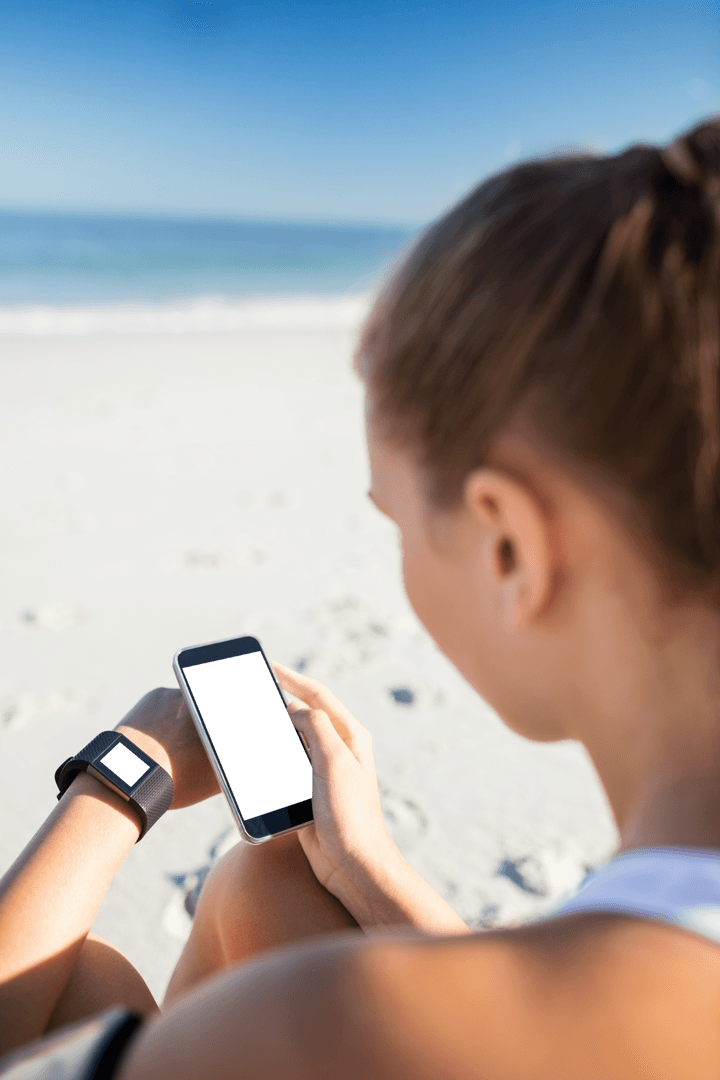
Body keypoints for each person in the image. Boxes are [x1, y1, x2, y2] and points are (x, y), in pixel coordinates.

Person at [1, 112, 720, 1080]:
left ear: (511, 545)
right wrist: (366, 867)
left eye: (398, 520)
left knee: (71, 990)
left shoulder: (333, 1023)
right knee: (270, 884)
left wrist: (119, 779)